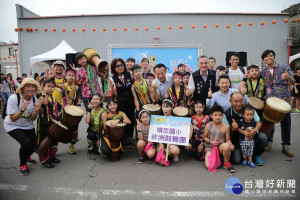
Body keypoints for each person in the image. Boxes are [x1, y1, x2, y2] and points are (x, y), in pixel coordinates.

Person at [3, 77, 43, 175]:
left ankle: (26, 156)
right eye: (28, 86)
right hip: (13, 125)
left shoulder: (35, 99)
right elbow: (12, 118)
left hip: (27, 125)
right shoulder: (14, 98)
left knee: (34, 145)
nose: (31, 89)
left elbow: (32, 118)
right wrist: (22, 110)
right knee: (25, 143)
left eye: (33, 87)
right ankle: (23, 164)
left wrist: (36, 111)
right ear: (22, 88)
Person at [260, 50, 295, 157]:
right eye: (266, 56)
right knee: (269, 123)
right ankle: (269, 142)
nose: (268, 58)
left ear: (274, 57)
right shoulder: (263, 71)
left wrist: (288, 77)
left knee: (286, 124)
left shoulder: (284, 67)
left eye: (270, 56)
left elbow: (293, 82)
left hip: (284, 102)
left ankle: (286, 146)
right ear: (263, 60)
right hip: (270, 102)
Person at [222, 92, 268, 166]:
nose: (239, 104)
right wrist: (233, 129)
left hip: (252, 137)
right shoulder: (226, 114)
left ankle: (256, 155)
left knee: (263, 137)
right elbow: (225, 133)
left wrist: (255, 130)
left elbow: (259, 122)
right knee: (236, 160)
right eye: (236, 101)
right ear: (230, 102)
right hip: (236, 141)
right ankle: (244, 155)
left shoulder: (249, 108)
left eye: (241, 101)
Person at [37, 79, 62, 168]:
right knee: (45, 142)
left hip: (53, 123)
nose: (50, 88)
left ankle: (52, 156)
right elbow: (39, 111)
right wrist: (43, 105)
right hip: (44, 124)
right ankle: (45, 160)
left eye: (52, 87)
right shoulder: (41, 98)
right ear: (43, 87)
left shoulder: (54, 99)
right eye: (48, 86)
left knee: (53, 141)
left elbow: (59, 109)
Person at [110, 58, 135, 144]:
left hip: (132, 102)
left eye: (121, 65)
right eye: (117, 66)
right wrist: (112, 87)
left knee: (131, 120)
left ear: (124, 66)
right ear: (114, 68)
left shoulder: (130, 74)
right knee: (122, 120)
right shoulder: (112, 78)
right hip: (121, 103)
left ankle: (130, 138)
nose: (119, 67)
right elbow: (113, 95)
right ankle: (122, 138)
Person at [203, 105, 235, 173]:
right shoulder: (209, 125)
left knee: (226, 146)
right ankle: (216, 158)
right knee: (209, 166)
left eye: (220, 115)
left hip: (220, 146)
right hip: (210, 147)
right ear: (211, 116)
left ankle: (226, 163)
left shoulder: (226, 127)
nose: (218, 117)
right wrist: (210, 141)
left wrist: (230, 144)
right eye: (215, 115)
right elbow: (204, 137)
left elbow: (228, 139)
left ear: (222, 116)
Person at [56, 68, 81, 154]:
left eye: (73, 76)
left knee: (74, 128)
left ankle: (72, 145)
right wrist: (51, 78)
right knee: (60, 128)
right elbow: (55, 85)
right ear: (65, 77)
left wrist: (79, 105)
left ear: (75, 77)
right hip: (64, 110)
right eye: (69, 75)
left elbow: (78, 98)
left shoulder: (77, 88)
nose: (71, 77)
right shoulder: (63, 86)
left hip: (73, 111)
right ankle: (55, 146)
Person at [156, 99, 180, 164]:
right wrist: (161, 144)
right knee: (161, 162)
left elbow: (178, 133)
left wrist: (171, 142)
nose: (165, 109)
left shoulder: (176, 120)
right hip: (161, 142)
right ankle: (164, 152)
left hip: (172, 142)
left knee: (175, 151)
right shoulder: (158, 119)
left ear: (172, 108)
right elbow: (156, 133)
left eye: (167, 107)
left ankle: (173, 154)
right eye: (164, 107)